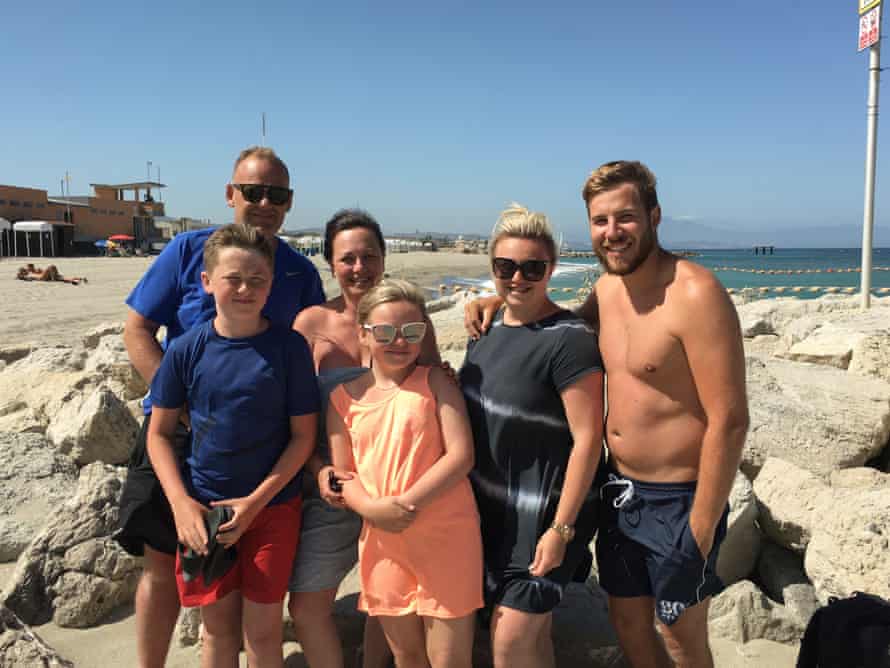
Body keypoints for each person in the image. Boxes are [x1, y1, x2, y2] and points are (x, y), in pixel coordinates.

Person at [466, 163, 749, 668]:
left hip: (681, 497)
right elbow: (560, 327)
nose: (612, 233)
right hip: (619, 492)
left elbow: (729, 419)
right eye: (600, 221)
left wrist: (700, 534)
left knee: (681, 637)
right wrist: (503, 294)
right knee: (630, 626)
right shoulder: (609, 288)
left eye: (625, 218)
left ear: (654, 216)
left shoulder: (696, 294)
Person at [115, 146, 325, 668]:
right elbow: (137, 328)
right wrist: (176, 400)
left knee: (250, 603)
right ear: (231, 194)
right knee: (162, 564)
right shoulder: (190, 251)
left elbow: (332, 334)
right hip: (177, 430)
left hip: (258, 445)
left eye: (276, 194)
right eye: (252, 191)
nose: (264, 202)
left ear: (290, 202)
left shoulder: (299, 272)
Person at [147, 223, 318, 667]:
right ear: (207, 282)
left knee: (262, 634)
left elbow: (303, 437)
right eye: (233, 279)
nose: (246, 288)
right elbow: (160, 433)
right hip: (205, 512)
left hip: (273, 510)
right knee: (217, 632)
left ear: (272, 284)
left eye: (258, 280)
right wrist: (181, 504)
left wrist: (257, 504)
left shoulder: (290, 348)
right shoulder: (186, 349)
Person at [288, 209, 439, 668]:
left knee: (388, 600)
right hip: (333, 489)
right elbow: (292, 417)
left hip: (398, 489)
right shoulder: (310, 324)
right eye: (347, 258)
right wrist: (319, 471)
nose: (359, 268)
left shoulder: (412, 324)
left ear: (383, 258)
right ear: (330, 263)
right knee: (307, 604)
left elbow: (435, 396)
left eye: (369, 256)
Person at [458, 204, 604, 668]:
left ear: (551, 270)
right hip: (489, 510)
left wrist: (561, 530)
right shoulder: (484, 332)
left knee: (511, 643)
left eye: (532, 268)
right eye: (505, 267)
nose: (517, 278)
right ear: (492, 269)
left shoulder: (570, 339)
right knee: (532, 643)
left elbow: (588, 439)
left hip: (545, 514)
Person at [327, 279, 483, 668]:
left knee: (448, 659)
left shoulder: (436, 382)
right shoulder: (343, 398)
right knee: (406, 655)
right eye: (385, 332)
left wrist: (402, 505)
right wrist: (371, 509)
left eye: (412, 332)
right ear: (364, 335)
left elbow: (461, 456)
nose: (399, 341)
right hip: (382, 542)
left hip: (447, 536)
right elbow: (343, 473)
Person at [16, 263, 86, 284]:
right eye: (27, 268)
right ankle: (55, 278)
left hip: (46, 276)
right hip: (42, 278)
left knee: (61, 278)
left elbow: (42, 271)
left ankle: (79, 279)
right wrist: (21, 276)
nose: (29, 268)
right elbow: (25, 278)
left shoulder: (36, 270)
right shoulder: (29, 274)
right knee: (52, 267)